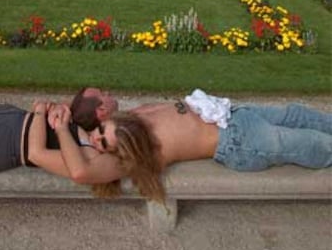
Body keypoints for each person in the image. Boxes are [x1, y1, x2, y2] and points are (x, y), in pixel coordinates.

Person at [0, 99, 164, 202]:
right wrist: (55, 109)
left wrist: (42, 113)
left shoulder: (92, 158)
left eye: (104, 142)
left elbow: (35, 153)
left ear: (117, 153)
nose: (96, 136)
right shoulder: (87, 140)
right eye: (101, 129)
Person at [70, 88, 332, 172]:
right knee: (308, 142)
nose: (107, 92)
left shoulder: (130, 116)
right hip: (237, 141)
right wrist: (83, 136)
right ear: (100, 112)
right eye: (102, 95)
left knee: (294, 113)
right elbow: (86, 170)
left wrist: (66, 112)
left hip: (230, 114)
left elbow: (79, 116)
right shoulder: (132, 148)